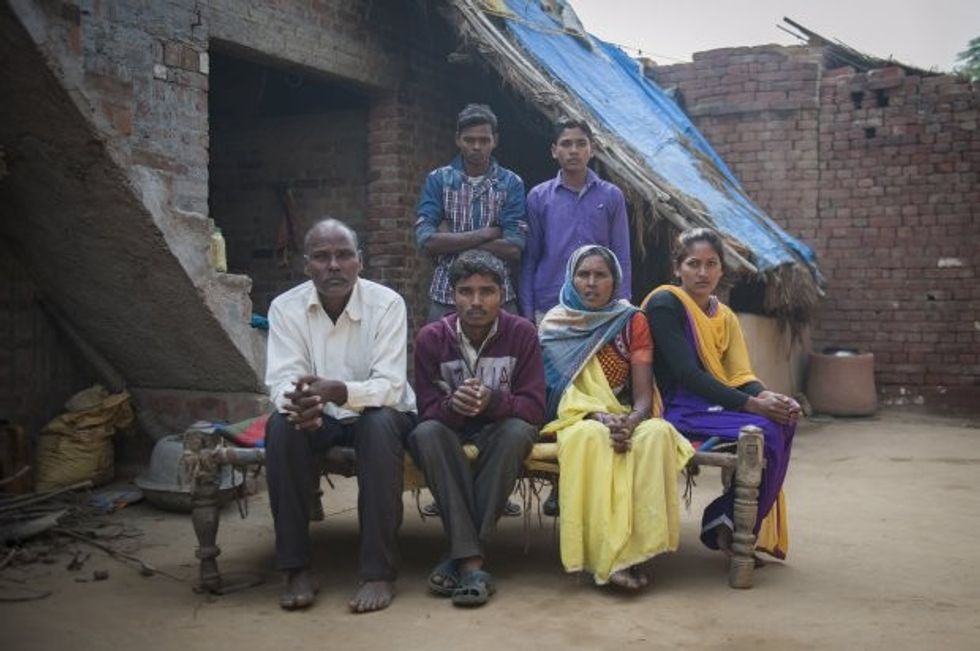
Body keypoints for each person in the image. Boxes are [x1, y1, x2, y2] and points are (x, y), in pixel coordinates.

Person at [264, 219, 416, 613]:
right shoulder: (285, 307)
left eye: (344, 255)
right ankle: (296, 567)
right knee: (281, 426)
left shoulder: (387, 304)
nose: (334, 265)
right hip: (320, 415)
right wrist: (301, 403)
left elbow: (391, 385)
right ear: (306, 266)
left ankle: (378, 571)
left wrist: (342, 391)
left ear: (359, 262)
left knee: (379, 423)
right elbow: (282, 379)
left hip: (377, 412)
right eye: (321, 257)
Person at [538, 245, 694, 589]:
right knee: (588, 440)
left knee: (657, 435)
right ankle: (606, 556)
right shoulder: (554, 324)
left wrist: (632, 421)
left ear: (615, 281)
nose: (591, 283)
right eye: (583, 274)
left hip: (624, 415)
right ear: (571, 278)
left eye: (601, 275)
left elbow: (642, 395)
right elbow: (554, 394)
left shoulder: (632, 320)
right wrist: (596, 416)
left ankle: (634, 553)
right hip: (575, 418)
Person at [643, 227, 799, 560]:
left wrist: (769, 397)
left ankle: (725, 518)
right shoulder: (665, 303)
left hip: (714, 404)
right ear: (677, 268)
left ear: (721, 269)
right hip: (676, 407)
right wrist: (752, 405)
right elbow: (687, 373)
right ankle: (725, 523)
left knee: (785, 419)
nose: (702, 273)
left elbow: (740, 374)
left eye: (711, 264)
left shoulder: (723, 315)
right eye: (693, 264)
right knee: (768, 430)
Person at [408, 250, 545, 607]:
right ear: (452, 296)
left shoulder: (522, 333)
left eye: (487, 291)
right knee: (425, 434)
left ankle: (461, 557)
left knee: (517, 431)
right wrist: (454, 406)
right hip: (452, 429)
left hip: (501, 428)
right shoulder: (430, 338)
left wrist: (494, 401)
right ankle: (473, 561)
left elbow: (534, 408)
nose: (476, 301)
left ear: (503, 294)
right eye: (466, 291)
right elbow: (425, 412)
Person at [416, 103, 527, 322]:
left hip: (499, 294)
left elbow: (514, 247)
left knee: (507, 354)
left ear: (495, 140)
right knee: (439, 353)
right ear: (458, 139)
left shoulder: (510, 183)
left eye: (484, 140)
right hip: (445, 294)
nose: (476, 146)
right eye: (469, 140)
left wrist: (450, 239)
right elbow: (426, 241)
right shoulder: (439, 180)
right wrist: (489, 233)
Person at [520, 118, 632, 324]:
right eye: (566, 144)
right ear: (554, 151)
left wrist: (621, 305)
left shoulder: (611, 196)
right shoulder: (538, 197)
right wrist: (528, 313)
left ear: (592, 150)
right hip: (550, 304)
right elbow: (530, 258)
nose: (573, 150)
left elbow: (621, 255)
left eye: (581, 144)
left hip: (600, 307)